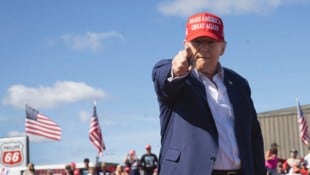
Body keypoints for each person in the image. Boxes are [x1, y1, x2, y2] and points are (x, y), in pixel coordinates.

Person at [152, 11, 266, 175]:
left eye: (211, 42)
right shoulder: (176, 76)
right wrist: (176, 71)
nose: (204, 48)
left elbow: (253, 137)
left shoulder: (239, 84)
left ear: (223, 48)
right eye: (198, 42)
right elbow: (164, 81)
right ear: (186, 46)